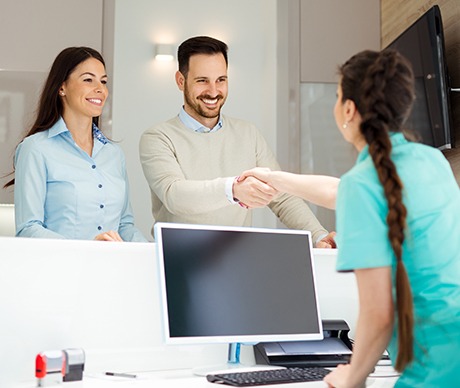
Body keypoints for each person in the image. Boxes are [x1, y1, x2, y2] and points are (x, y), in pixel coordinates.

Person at [240, 49, 460, 387]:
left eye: (338, 95)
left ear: (348, 109)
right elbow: (340, 190)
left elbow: (378, 312)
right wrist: (276, 178)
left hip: (434, 368)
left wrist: (353, 375)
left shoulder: (365, 183)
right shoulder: (432, 161)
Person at [139, 36, 335, 247]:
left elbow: (282, 197)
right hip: (177, 259)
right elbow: (175, 195)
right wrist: (233, 189)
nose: (213, 91)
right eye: (202, 80)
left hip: (236, 259)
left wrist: (318, 235)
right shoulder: (158, 137)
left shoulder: (248, 134)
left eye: (221, 80)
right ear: (180, 81)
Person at [4, 47, 147, 242]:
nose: (100, 89)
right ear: (62, 87)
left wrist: (151, 251)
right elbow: (29, 228)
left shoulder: (114, 154)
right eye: (88, 79)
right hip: (62, 268)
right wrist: (86, 249)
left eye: (103, 81)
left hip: (111, 268)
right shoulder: (36, 148)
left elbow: (124, 225)